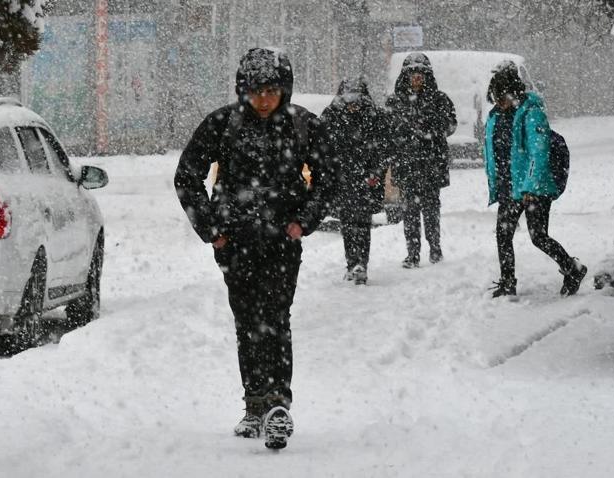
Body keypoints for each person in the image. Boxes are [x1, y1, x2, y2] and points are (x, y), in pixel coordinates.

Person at [173, 47, 336, 449]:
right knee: (248, 323)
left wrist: (304, 221)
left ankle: (278, 404)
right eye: (256, 90)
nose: (264, 98)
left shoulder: (302, 126)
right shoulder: (222, 124)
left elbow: (329, 176)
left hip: (282, 242)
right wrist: (213, 229)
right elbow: (187, 176)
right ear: (243, 90)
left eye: (272, 90)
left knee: (276, 318)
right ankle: (254, 404)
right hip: (236, 243)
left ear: (284, 90)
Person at [483, 61, 587, 298]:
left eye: (504, 97)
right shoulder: (495, 116)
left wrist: (530, 186)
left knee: (538, 237)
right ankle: (508, 283)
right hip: (509, 187)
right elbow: (493, 152)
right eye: (496, 97)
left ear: (515, 93)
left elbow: (538, 153)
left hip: (535, 187)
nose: (500, 102)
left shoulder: (532, 114)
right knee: (503, 234)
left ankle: (573, 268)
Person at [385, 52, 457, 268]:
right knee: (409, 212)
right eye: (413, 74)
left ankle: (435, 249)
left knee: (431, 209)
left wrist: (431, 130)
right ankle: (413, 253)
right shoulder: (395, 101)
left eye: (420, 75)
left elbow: (451, 126)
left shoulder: (440, 99)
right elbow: (387, 132)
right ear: (405, 76)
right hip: (406, 166)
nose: (417, 79)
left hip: (431, 165)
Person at [321, 78, 388, 285]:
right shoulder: (331, 115)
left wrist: (375, 173)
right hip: (343, 178)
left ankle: (361, 264)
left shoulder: (373, 116)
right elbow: (322, 145)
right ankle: (352, 263)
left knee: (362, 223)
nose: (352, 104)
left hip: (365, 180)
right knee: (348, 224)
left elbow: (383, 148)